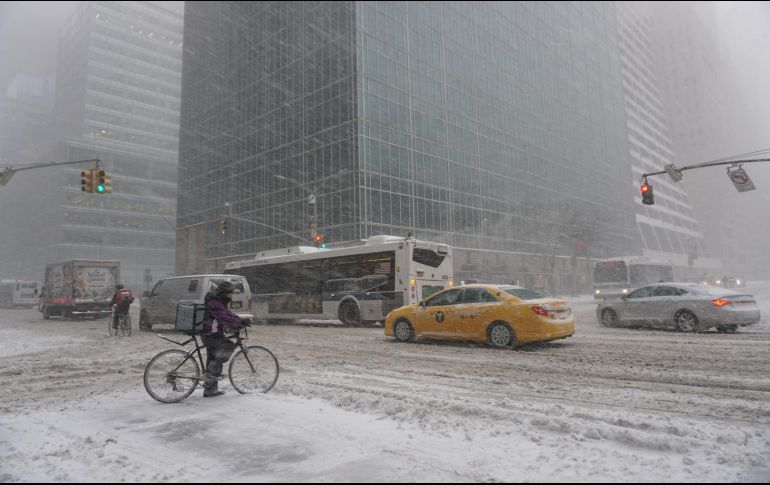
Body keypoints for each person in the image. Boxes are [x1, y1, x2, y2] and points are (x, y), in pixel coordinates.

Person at [200, 281, 251, 398]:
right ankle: (211, 376)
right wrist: (236, 324)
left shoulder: (219, 302)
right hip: (210, 334)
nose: (232, 295)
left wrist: (241, 320)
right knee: (227, 347)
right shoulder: (215, 303)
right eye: (231, 293)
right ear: (224, 293)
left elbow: (229, 315)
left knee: (214, 358)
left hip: (212, 334)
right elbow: (223, 317)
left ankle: (210, 389)